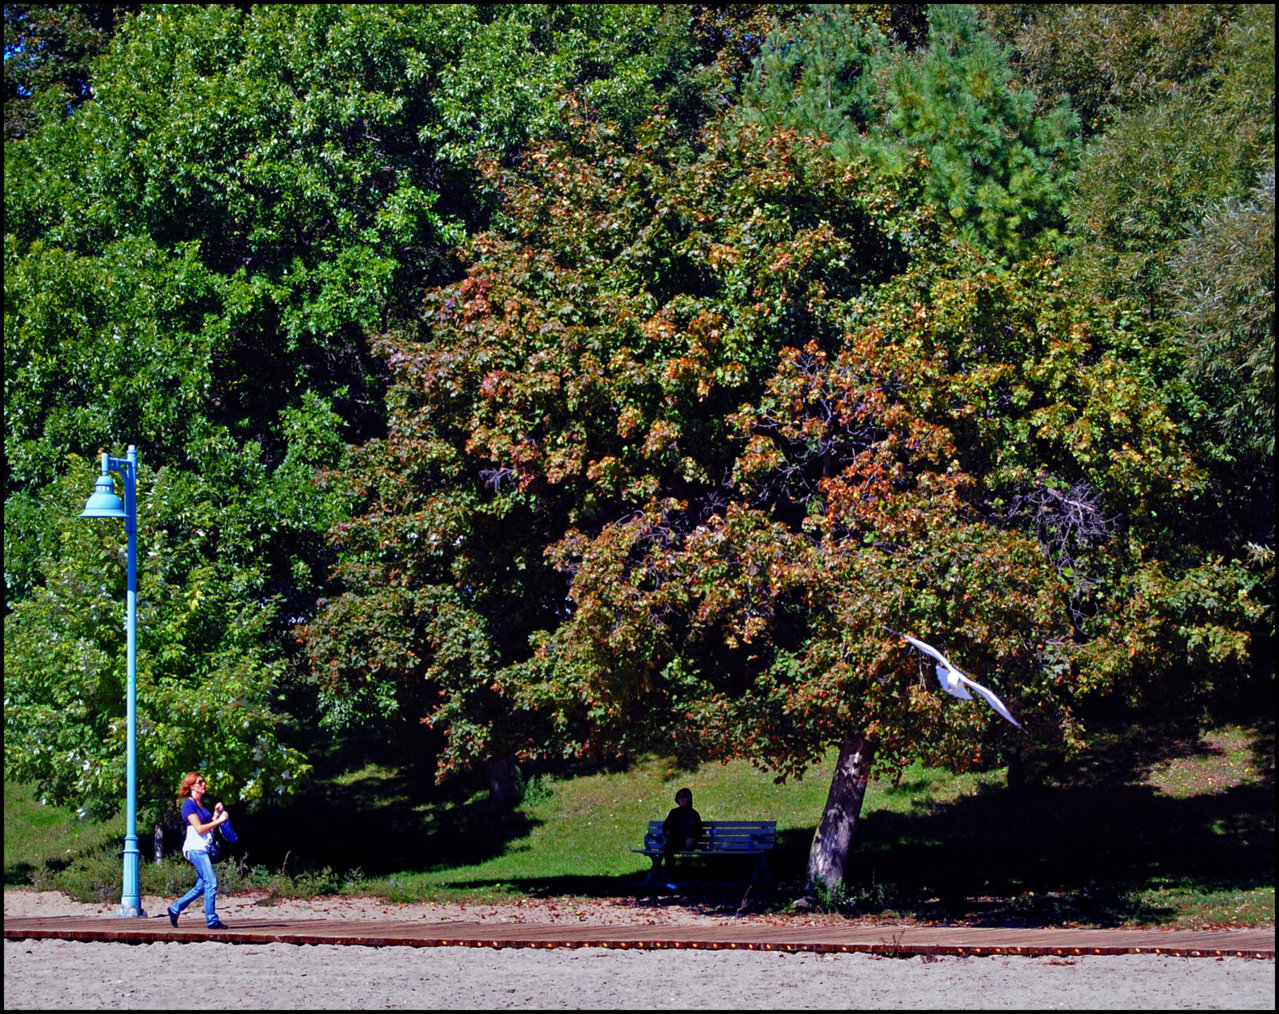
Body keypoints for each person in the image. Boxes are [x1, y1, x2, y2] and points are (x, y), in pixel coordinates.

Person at [166, 772, 230, 929]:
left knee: (202, 886)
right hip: (195, 849)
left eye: (203, 782)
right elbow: (200, 829)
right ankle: (212, 920)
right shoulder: (188, 805)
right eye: (200, 782)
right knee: (212, 882)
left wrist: (216, 814)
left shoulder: (201, 803)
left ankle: (175, 909)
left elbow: (209, 825)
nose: (203, 784)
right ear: (191, 786)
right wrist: (220, 820)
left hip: (203, 848)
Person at [661, 786, 703, 862]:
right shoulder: (674, 812)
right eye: (679, 797)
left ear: (689, 799)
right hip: (674, 841)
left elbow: (698, 830)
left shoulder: (693, 814)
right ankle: (669, 871)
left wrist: (693, 839)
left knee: (670, 847)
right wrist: (667, 832)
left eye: (684, 797)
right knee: (668, 848)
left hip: (688, 842)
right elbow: (666, 826)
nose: (682, 799)